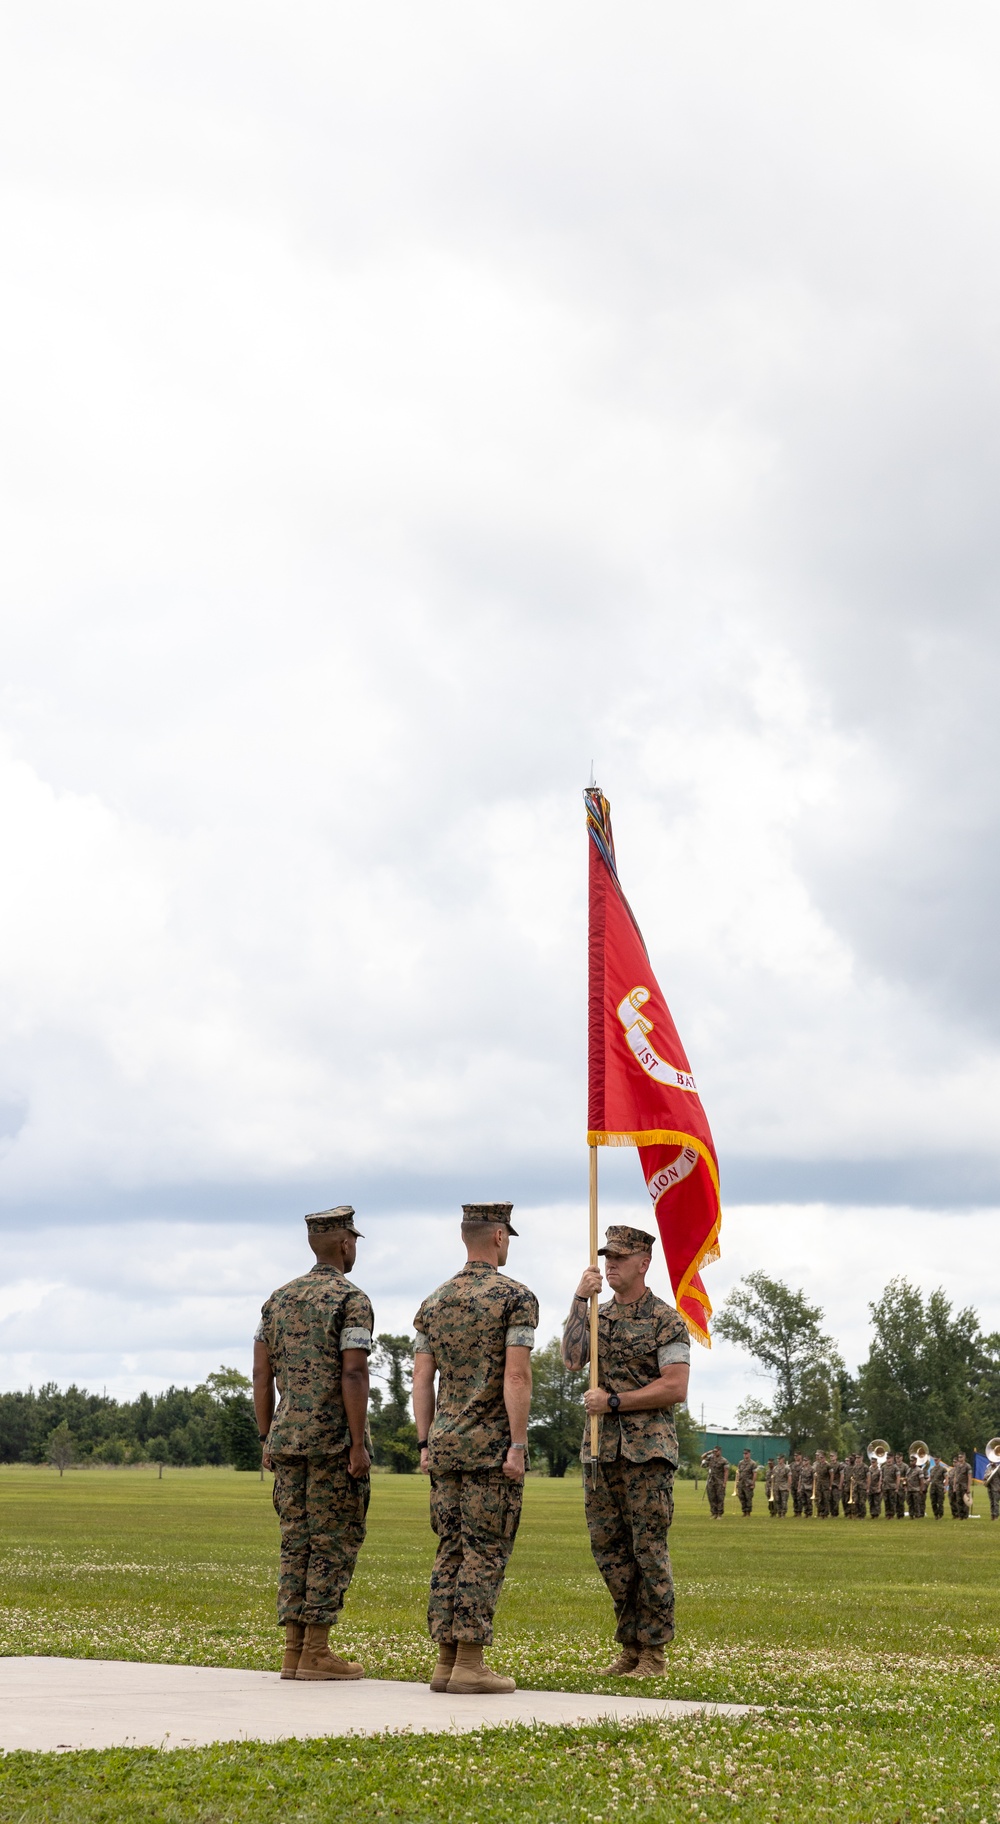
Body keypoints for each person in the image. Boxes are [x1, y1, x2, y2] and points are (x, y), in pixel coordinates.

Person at [412, 1201, 537, 1696]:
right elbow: (517, 1374)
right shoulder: (515, 1298)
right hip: (489, 1449)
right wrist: (519, 1444)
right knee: (485, 1552)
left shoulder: (434, 1301)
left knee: (450, 1549)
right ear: (499, 1237)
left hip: (443, 1446)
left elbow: (422, 1379)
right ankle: (469, 1663)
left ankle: (445, 1662)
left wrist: (425, 1442)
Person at [562, 1223, 690, 1677]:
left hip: (646, 1452)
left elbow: (675, 1387)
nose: (610, 1264)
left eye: (619, 1257)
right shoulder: (597, 1313)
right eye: (606, 1257)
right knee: (609, 1551)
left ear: (643, 1262)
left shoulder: (666, 1319)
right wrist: (580, 1300)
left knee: (647, 1550)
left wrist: (615, 1402)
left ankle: (653, 1651)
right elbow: (572, 1359)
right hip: (600, 1452)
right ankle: (630, 1646)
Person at [254, 1205, 373, 1683]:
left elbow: (262, 1375)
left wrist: (267, 1435)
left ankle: (293, 1651)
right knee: (332, 1541)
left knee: (294, 1542)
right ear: (345, 1244)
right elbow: (354, 1371)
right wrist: (358, 1443)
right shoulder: (352, 1300)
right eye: (355, 1241)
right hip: (331, 1443)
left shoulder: (277, 1300)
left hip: (285, 1439)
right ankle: (317, 1652)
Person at [704, 1445, 729, 1517]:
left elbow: (726, 1471)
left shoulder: (724, 1460)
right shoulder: (711, 1458)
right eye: (714, 1451)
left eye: (716, 1451)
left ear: (720, 1451)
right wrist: (709, 1452)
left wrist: (724, 1482)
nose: (715, 1453)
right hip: (711, 1481)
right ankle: (713, 1513)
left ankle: (719, 1514)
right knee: (711, 1497)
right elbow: (702, 1457)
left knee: (720, 1497)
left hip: (719, 1481)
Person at [950, 1452, 972, 1519]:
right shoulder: (957, 1466)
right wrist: (954, 1486)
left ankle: (965, 1516)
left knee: (965, 1501)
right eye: (959, 1457)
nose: (960, 1458)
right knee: (958, 1501)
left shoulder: (967, 1466)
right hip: (958, 1486)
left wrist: (968, 1488)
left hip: (964, 1486)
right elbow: (955, 1476)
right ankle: (960, 1515)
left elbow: (969, 1477)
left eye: (961, 1457)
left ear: (964, 1457)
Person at [736, 1449, 757, 1516]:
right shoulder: (740, 1463)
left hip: (748, 1483)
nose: (745, 1455)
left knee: (748, 1498)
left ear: (749, 1454)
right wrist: (737, 1482)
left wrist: (753, 1483)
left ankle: (748, 1512)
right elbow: (738, 1473)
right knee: (741, 1497)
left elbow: (755, 1474)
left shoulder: (753, 1463)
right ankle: (744, 1511)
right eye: (744, 1454)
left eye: (746, 1453)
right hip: (741, 1483)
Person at [928, 1454, 948, 1520]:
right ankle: (936, 1514)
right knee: (933, 1502)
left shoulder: (943, 1469)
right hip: (933, 1488)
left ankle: (940, 1515)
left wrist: (945, 1487)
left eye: (937, 1460)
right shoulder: (932, 1469)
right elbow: (930, 1478)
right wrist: (925, 1482)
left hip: (940, 1488)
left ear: (939, 1460)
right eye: (935, 1460)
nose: (936, 1461)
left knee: (940, 1502)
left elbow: (946, 1478)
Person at [814, 1450, 832, 1519]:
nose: (820, 1459)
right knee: (819, 1499)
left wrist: (830, 1485)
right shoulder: (818, 1465)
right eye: (820, 1458)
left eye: (822, 1458)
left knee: (825, 1499)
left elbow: (831, 1475)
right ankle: (821, 1512)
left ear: (824, 1458)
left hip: (825, 1485)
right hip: (819, 1484)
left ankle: (825, 1513)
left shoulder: (828, 1465)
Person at [867, 1452, 883, 1520]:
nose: (872, 1463)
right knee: (871, 1502)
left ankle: (876, 1514)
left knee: (876, 1501)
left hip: (876, 1487)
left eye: (873, 1462)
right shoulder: (869, 1469)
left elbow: (880, 1479)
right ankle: (872, 1514)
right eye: (871, 1462)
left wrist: (879, 1487)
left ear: (876, 1462)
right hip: (870, 1487)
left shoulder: (879, 1470)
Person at [799, 1453, 814, 1519]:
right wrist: (799, 1487)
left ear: (808, 1461)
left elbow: (814, 1479)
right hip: (803, 1486)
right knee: (803, 1500)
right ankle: (806, 1513)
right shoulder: (802, 1469)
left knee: (809, 1501)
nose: (804, 1462)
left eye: (806, 1461)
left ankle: (809, 1513)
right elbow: (800, 1478)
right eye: (803, 1461)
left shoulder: (812, 1469)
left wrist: (813, 1487)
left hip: (809, 1486)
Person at [790, 1451, 804, 1518]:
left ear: (800, 1456)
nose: (795, 1457)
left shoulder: (803, 1464)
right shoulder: (792, 1464)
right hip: (793, 1483)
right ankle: (795, 1511)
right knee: (794, 1498)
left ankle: (799, 1512)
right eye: (795, 1456)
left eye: (797, 1456)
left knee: (799, 1498)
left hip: (800, 1483)